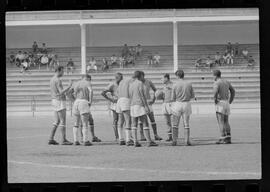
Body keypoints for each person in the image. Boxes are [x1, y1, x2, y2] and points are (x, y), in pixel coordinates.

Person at [129, 71, 158, 147]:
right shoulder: (140, 83)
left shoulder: (131, 84)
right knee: (145, 122)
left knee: (134, 124)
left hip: (132, 105)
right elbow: (142, 95)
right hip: (140, 104)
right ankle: (149, 141)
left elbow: (130, 95)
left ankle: (135, 141)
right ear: (140, 76)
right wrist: (146, 106)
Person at [48, 66, 73, 145]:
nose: (63, 73)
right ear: (58, 71)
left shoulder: (52, 79)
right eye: (62, 71)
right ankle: (63, 140)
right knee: (63, 121)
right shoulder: (57, 80)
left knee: (56, 121)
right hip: (60, 100)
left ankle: (51, 138)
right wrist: (69, 86)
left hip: (54, 100)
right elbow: (61, 92)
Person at [170, 69, 195, 146]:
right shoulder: (189, 84)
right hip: (186, 104)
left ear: (177, 76)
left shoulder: (175, 84)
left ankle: (174, 140)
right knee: (186, 124)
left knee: (175, 124)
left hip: (178, 103)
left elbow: (172, 98)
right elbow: (192, 96)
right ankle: (187, 140)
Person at [213, 70, 235, 144]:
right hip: (226, 102)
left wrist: (215, 100)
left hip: (220, 102)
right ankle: (228, 138)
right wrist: (231, 100)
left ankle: (222, 137)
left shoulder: (217, 82)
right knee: (226, 121)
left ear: (215, 75)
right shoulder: (226, 81)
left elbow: (215, 92)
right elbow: (233, 91)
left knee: (220, 121)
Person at [72, 74, 95, 146]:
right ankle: (85, 140)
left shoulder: (76, 83)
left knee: (76, 123)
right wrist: (90, 101)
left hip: (76, 102)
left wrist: (74, 100)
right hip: (83, 101)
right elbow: (90, 91)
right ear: (87, 78)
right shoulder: (87, 83)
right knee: (85, 123)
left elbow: (70, 92)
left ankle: (76, 140)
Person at [139, 72, 163, 141]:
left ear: (143, 76)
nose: (139, 78)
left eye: (140, 77)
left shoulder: (148, 81)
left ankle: (156, 135)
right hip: (141, 103)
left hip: (148, 102)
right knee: (141, 121)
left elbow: (155, 90)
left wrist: (153, 99)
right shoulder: (137, 83)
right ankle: (142, 136)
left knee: (152, 119)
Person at [101, 73, 124, 142]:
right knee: (115, 120)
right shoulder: (112, 84)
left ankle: (126, 136)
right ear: (116, 78)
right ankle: (117, 136)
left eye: (121, 78)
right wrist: (110, 99)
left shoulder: (123, 84)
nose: (120, 79)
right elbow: (103, 93)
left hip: (122, 103)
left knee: (125, 119)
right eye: (118, 78)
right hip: (115, 104)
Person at [116, 76, 134, 146]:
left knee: (120, 121)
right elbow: (131, 91)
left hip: (119, 100)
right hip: (126, 100)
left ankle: (121, 139)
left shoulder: (121, 82)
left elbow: (117, 92)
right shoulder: (131, 81)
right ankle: (128, 139)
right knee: (128, 120)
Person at [155, 74, 174, 141]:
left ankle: (174, 135)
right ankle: (170, 136)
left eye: (162, 78)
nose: (161, 80)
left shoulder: (172, 85)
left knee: (174, 121)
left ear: (166, 78)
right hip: (165, 104)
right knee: (167, 121)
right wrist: (160, 96)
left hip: (171, 104)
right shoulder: (164, 86)